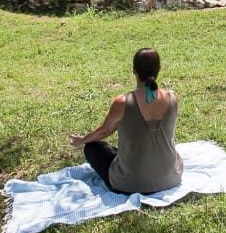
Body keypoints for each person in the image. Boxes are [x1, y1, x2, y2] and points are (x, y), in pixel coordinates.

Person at [70, 47, 183, 194]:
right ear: (159, 69)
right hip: (171, 178)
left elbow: (105, 131)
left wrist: (82, 140)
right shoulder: (172, 98)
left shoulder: (123, 102)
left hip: (129, 183)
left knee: (92, 148)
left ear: (134, 70)